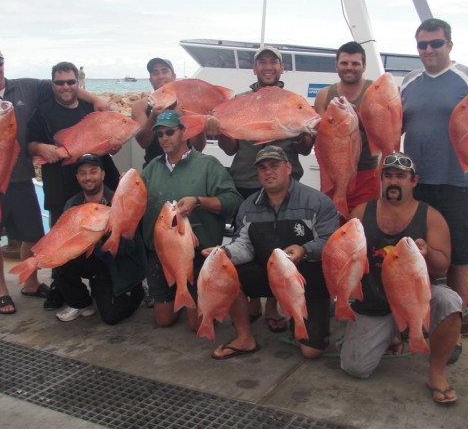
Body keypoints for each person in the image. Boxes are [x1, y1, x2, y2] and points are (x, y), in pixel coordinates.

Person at [0, 44, 109, 315]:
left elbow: (63, 86)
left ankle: (30, 283)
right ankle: (1, 291)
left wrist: (95, 100)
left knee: (33, 233)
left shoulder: (27, 87)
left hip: (20, 178)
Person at [400, 18, 468, 358]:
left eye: (436, 43)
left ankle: (454, 334)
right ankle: (415, 323)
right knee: (415, 255)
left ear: (450, 45)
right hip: (415, 184)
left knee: (460, 258)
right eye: (423, 45)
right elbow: (391, 123)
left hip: (458, 183)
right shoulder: (408, 81)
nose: (429, 50)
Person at [206, 46, 315, 333]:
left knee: (280, 246)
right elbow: (231, 148)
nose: (268, 66)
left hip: (286, 183)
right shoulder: (241, 101)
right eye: (262, 62)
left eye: (273, 62)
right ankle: (253, 298)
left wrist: (307, 134)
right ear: (254, 69)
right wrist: (220, 132)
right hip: (246, 180)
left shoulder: (293, 101)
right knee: (249, 246)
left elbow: (304, 150)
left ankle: (271, 304)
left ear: (282, 69)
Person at [341, 152, 462, 405]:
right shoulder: (361, 212)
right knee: (355, 368)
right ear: (380, 179)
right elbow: (344, 257)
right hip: (374, 302)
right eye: (388, 176)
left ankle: (436, 374)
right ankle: (392, 334)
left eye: (401, 176)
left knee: (450, 301)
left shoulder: (431, 217)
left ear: (414, 181)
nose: (394, 182)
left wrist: (427, 252)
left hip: (415, 298)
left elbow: (441, 269)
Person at [208, 145, 339, 360]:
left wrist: (305, 250)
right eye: (262, 168)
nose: (268, 171)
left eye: (274, 165)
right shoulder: (248, 207)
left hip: (307, 281)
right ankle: (244, 338)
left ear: (288, 167)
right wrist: (222, 253)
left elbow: (331, 243)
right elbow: (244, 246)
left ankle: (301, 317)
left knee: (311, 351)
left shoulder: (317, 202)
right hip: (269, 275)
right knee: (225, 269)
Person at [27, 61, 123, 310]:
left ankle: (112, 282)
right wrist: (41, 148)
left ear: (78, 83)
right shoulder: (42, 112)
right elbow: (29, 145)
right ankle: (65, 288)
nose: (66, 87)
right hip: (60, 185)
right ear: (52, 85)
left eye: (71, 82)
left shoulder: (91, 108)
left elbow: (110, 138)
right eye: (60, 82)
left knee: (107, 233)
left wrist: (114, 144)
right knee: (60, 238)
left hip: (96, 179)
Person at [140, 110, 242, 331]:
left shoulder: (208, 165)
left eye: (170, 132)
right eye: (159, 134)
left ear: (184, 132)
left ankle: (193, 299)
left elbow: (233, 201)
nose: (164, 138)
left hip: (197, 252)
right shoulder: (151, 169)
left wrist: (198, 201)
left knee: (197, 325)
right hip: (161, 254)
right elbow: (134, 203)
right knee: (163, 321)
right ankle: (179, 295)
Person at [54, 154, 146, 324]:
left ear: (103, 174)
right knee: (59, 260)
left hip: (117, 264)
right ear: (77, 177)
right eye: (83, 173)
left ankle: (135, 291)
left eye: (93, 171)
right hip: (92, 260)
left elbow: (129, 248)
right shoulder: (72, 205)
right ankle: (81, 303)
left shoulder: (120, 200)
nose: (88, 177)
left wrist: (107, 234)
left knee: (111, 317)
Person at [313, 41, 381, 217]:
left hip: (367, 172)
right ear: (336, 65)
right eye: (344, 63)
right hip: (333, 173)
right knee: (333, 226)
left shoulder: (374, 92)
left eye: (355, 63)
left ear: (364, 66)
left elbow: (382, 136)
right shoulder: (324, 95)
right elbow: (318, 138)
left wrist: (361, 119)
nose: (349, 67)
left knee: (363, 226)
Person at [131, 57, 205, 167]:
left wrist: (199, 121)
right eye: (155, 73)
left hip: (188, 167)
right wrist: (153, 116)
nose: (161, 76)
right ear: (151, 79)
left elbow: (198, 146)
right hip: (154, 168)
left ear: (174, 77)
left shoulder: (188, 104)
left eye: (165, 71)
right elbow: (143, 143)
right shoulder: (140, 106)